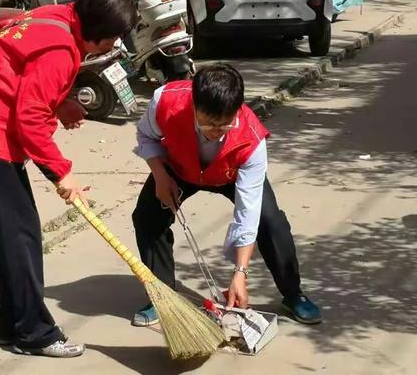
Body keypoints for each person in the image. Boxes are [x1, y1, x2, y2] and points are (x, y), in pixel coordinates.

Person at [0, 0, 137, 357]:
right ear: (99, 33)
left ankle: (12, 325)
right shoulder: (62, 50)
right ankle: (34, 334)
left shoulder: (58, 16)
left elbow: (24, 68)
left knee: (15, 230)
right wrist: (63, 173)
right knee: (21, 231)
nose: (115, 44)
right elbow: (29, 119)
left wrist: (60, 102)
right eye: (114, 37)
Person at [131, 64, 321, 327]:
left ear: (238, 110)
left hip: (231, 174)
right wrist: (161, 177)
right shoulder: (166, 101)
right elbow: (146, 136)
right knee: (147, 216)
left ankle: (292, 294)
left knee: (270, 222)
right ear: (193, 104)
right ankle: (162, 297)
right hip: (179, 167)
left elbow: (247, 214)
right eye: (208, 122)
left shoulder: (251, 141)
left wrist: (240, 274)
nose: (215, 131)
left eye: (225, 124)